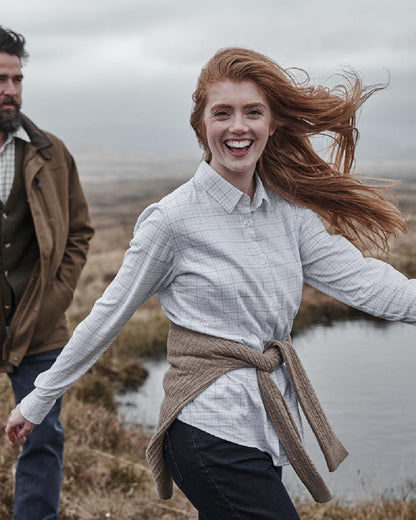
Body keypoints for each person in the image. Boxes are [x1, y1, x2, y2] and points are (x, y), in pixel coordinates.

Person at [6, 47, 416, 520]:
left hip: (266, 423)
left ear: (272, 123)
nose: (238, 127)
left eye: (253, 112)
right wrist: (38, 400)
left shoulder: (289, 214)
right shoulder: (172, 221)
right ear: (201, 124)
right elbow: (107, 317)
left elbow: (369, 284)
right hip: (206, 429)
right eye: (222, 113)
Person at [0, 27, 94, 520]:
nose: (11, 89)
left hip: (41, 327)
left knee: (42, 436)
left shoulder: (52, 153)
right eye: (0, 79)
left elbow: (80, 231)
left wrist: (55, 299)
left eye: (16, 78)